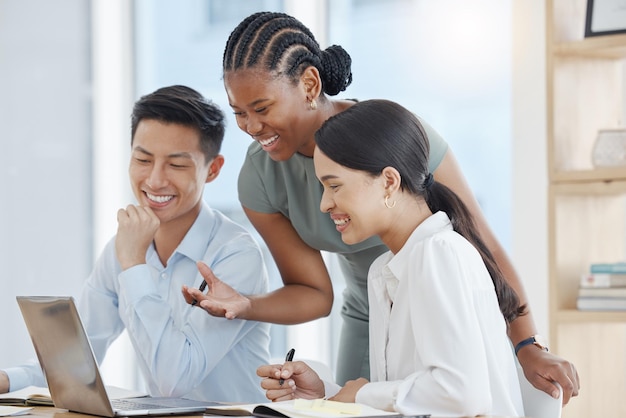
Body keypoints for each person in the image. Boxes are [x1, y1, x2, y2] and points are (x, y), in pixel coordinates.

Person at [183, 11, 579, 403]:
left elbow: (479, 242)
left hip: (440, 304)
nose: (251, 127)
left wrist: (526, 343)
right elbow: (315, 293)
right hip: (372, 311)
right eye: (239, 113)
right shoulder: (261, 178)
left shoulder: (393, 141)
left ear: (308, 84)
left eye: (262, 108)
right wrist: (247, 306)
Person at [0, 85, 270, 403]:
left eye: (176, 165)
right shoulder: (124, 247)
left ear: (212, 169)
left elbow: (175, 378)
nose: (154, 180)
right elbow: (73, 360)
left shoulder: (235, 255)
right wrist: (7, 379)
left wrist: (134, 265)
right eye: (143, 159)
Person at [258, 99, 526, 417]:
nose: (324, 204)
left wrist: (362, 395)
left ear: (389, 181)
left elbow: (462, 395)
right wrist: (323, 395)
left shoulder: (438, 253)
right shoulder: (384, 269)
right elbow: (406, 396)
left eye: (334, 186)